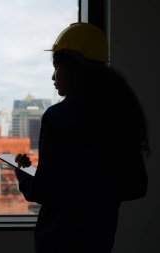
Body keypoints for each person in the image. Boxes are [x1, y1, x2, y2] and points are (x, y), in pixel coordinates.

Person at [14, 23, 150, 253]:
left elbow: (44, 191)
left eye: (57, 67)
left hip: (57, 242)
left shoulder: (57, 117)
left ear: (75, 68)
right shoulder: (119, 115)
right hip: (99, 241)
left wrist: (21, 172)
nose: (53, 76)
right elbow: (136, 187)